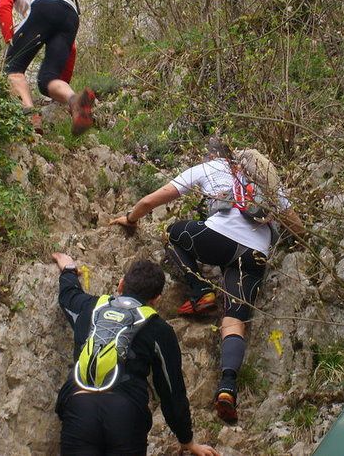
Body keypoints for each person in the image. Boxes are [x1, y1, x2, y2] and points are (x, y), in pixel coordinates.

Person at [109, 138, 304, 424]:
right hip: (255, 256)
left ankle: (200, 292)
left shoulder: (210, 168)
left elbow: (153, 200)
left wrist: (131, 217)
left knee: (173, 233)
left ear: (212, 155)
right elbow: (295, 224)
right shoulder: (264, 178)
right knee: (235, 320)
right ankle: (227, 386)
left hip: (218, 241)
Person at [52, 252, 220, 456]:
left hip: (80, 407)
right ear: (156, 299)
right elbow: (171, 390)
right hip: (125, 414)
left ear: (121, 284)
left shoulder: (89, 307)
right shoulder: (159, 330)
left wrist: (69, 269)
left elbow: (68, 295)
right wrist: (187, 440)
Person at [0, 0, 94, 135]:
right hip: (72, 18)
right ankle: (75, 101)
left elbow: (3, 5)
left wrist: (9, 39)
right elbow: (71, 49)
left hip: (44, 5)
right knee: (47, 80)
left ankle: (30, 115)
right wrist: (62, 80)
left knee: (13, 69)